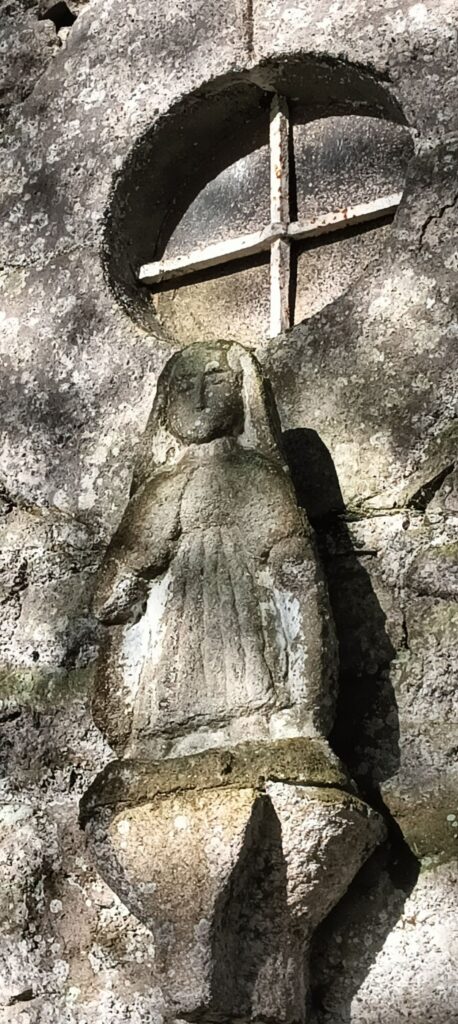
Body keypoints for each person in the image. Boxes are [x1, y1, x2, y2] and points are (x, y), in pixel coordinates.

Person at [92, 341, 336, 759]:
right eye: (185, 384)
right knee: (168, 702)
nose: (200, 397)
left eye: (216, 380)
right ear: (165, 402)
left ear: (242, 393)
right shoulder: (157, 490)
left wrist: (305, 695)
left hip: (241, 625)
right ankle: (159, 741)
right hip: (175, 642)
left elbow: (295, 577)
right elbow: (110, 599)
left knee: (247, 691)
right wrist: (134, 567)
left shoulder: (255, 475)